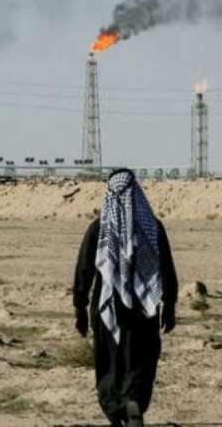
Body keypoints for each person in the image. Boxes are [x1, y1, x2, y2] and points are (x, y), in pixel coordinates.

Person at [73, 168, 178, 427]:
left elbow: (84, 270)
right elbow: (166, 269)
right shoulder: (153, 227)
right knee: (141, 358)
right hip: (144, 307)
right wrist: (170, 305)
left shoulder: (99, 228)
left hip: (107, 306)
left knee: (109, 359)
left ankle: (115, 409)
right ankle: (135, 400)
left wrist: (80, 308)